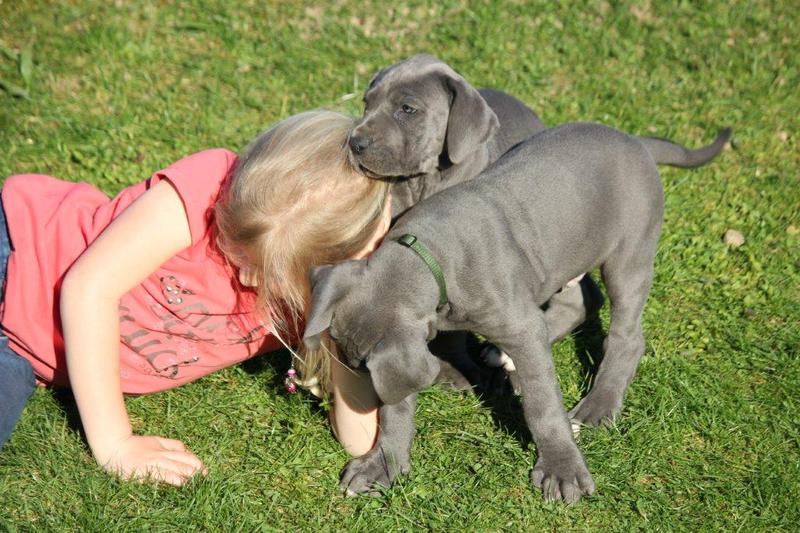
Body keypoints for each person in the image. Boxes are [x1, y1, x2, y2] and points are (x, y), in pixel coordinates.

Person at [0, 110, 387, 485]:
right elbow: (88, 288)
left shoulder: (318, 294)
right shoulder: (207, 187)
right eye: (235, 244)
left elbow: (359, 441)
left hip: (24, 354)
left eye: (265, 271)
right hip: (18, 254)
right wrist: (116, 443)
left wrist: (344, 304)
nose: (245, 275)